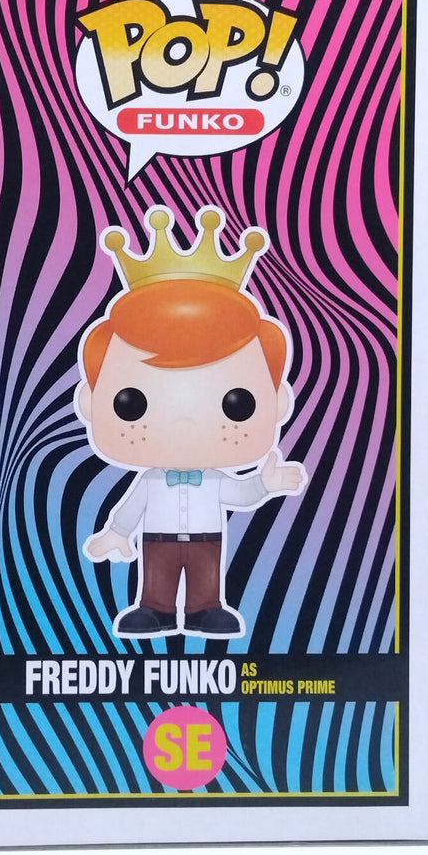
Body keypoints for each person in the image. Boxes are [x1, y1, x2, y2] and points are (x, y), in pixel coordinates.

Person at [75, 206, 307, 638]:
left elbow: (241, 494)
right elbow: (131, 508)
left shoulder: (215, 479)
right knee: (157, 577)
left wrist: (265, 483)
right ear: (91, 401)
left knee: (206, 578)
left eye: (237, 403)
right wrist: (117, 533)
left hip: (207, 539)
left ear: (278, 402)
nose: (183, 423)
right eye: (130, 403)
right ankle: (155, 609)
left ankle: (206, 610)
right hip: (157, 540)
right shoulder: (150, 481)